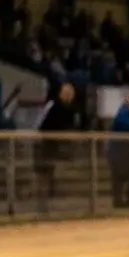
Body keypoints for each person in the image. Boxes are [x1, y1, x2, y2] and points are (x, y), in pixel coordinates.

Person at [34, 82, 83, 212]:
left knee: (52, 174)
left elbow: (74, 125)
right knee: (43, 174)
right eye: (66, 93)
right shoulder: (52, 105)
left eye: (70, 94)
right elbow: (41, 124)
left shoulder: (73, 108)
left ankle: (51, 202)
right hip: (44, 144)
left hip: (60, 147)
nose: (68, 96)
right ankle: (42, 205)